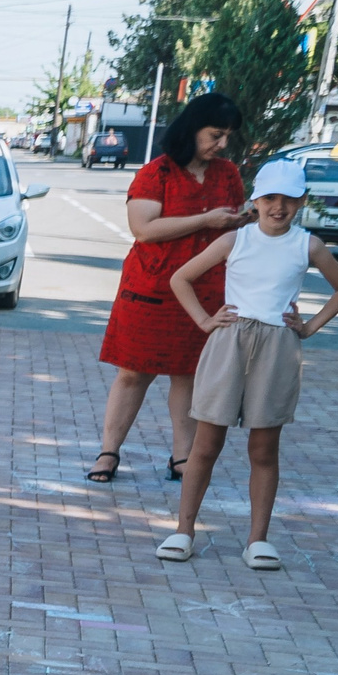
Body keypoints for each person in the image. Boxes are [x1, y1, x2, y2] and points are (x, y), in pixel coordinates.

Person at [158, 157, 338, 568]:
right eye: (270, 198)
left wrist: (309, 327)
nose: (278, 207)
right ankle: (183, 530)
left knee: (264, 448)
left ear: (302, 200)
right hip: (229, 341)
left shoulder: (308, 245)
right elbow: (181, 277)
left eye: (288, 199)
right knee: (205, 444)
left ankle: (258, 540)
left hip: (279, 347)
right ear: (255, 200)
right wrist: (205, 320)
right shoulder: (237, 240)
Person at [89, 93, 248, 483]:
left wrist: (245, 220)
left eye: (226, 136)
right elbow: (143, 229)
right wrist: (207, 220)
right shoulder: (156, 172)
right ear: (192, 129)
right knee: (133, 373)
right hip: (151, 287)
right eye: (215, 134)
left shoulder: (228, 174)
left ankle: (182, 458)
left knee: (189, 374)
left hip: (207, 288)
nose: (221, 144)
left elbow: (236, 227)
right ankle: (108, 453)